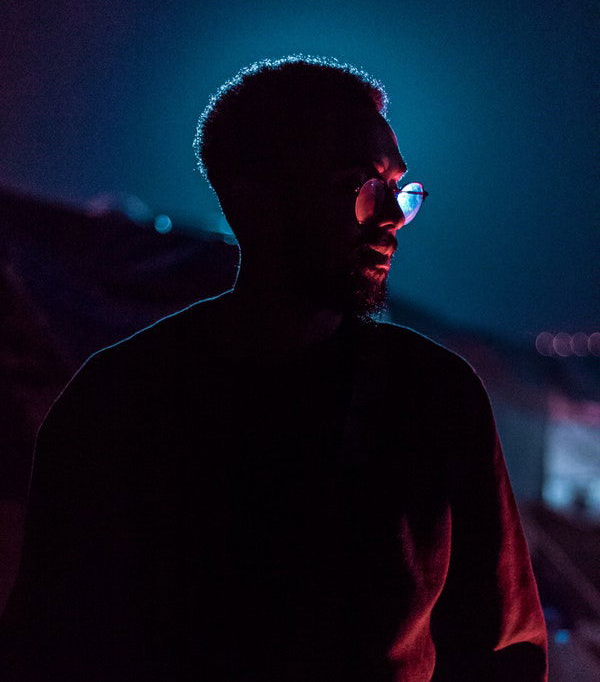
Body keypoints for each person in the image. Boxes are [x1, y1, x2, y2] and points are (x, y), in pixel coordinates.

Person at [0, 56, 548, 680]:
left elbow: (503, 651)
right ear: (252, 196)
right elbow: (53, 647)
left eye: (399, 189)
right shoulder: (118, 405)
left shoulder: (434, 397)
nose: (394, 216)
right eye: (359, 185)